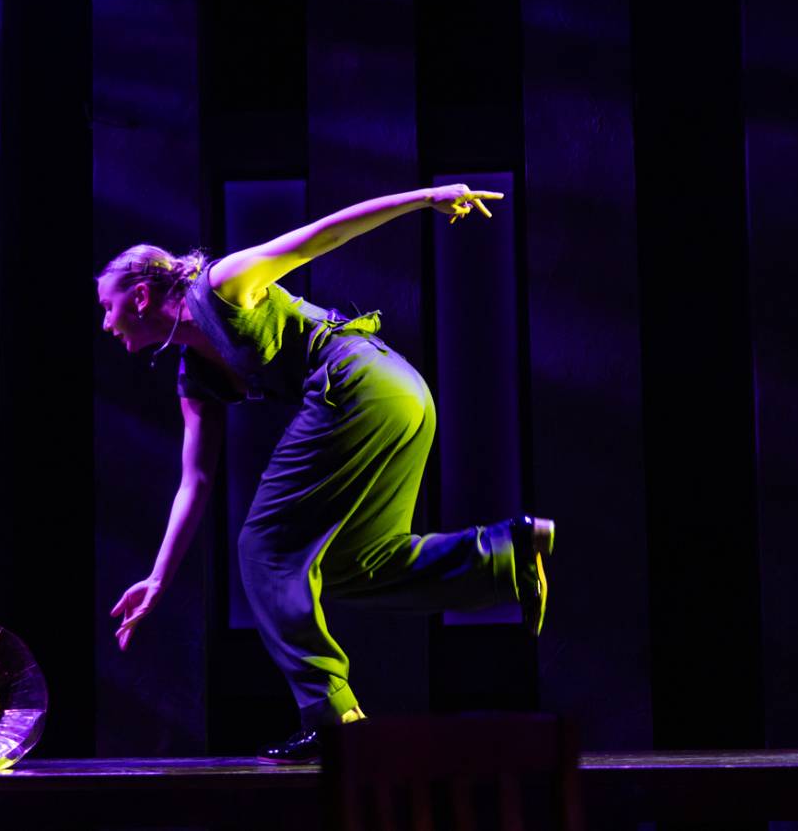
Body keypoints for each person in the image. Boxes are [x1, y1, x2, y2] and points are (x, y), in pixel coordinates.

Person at [96, 185, 554, 763]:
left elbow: (325, 234)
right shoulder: (195, 378)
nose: (106, 324)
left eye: (106, 308)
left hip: (361, 386)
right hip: (402, 397)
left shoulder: (222, 285)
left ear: (139, 296)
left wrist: (428, 198)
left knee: (265, 550)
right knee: (352, 564)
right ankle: (507, 552)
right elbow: (196, 481)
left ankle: (336, 719)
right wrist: (159, 578)